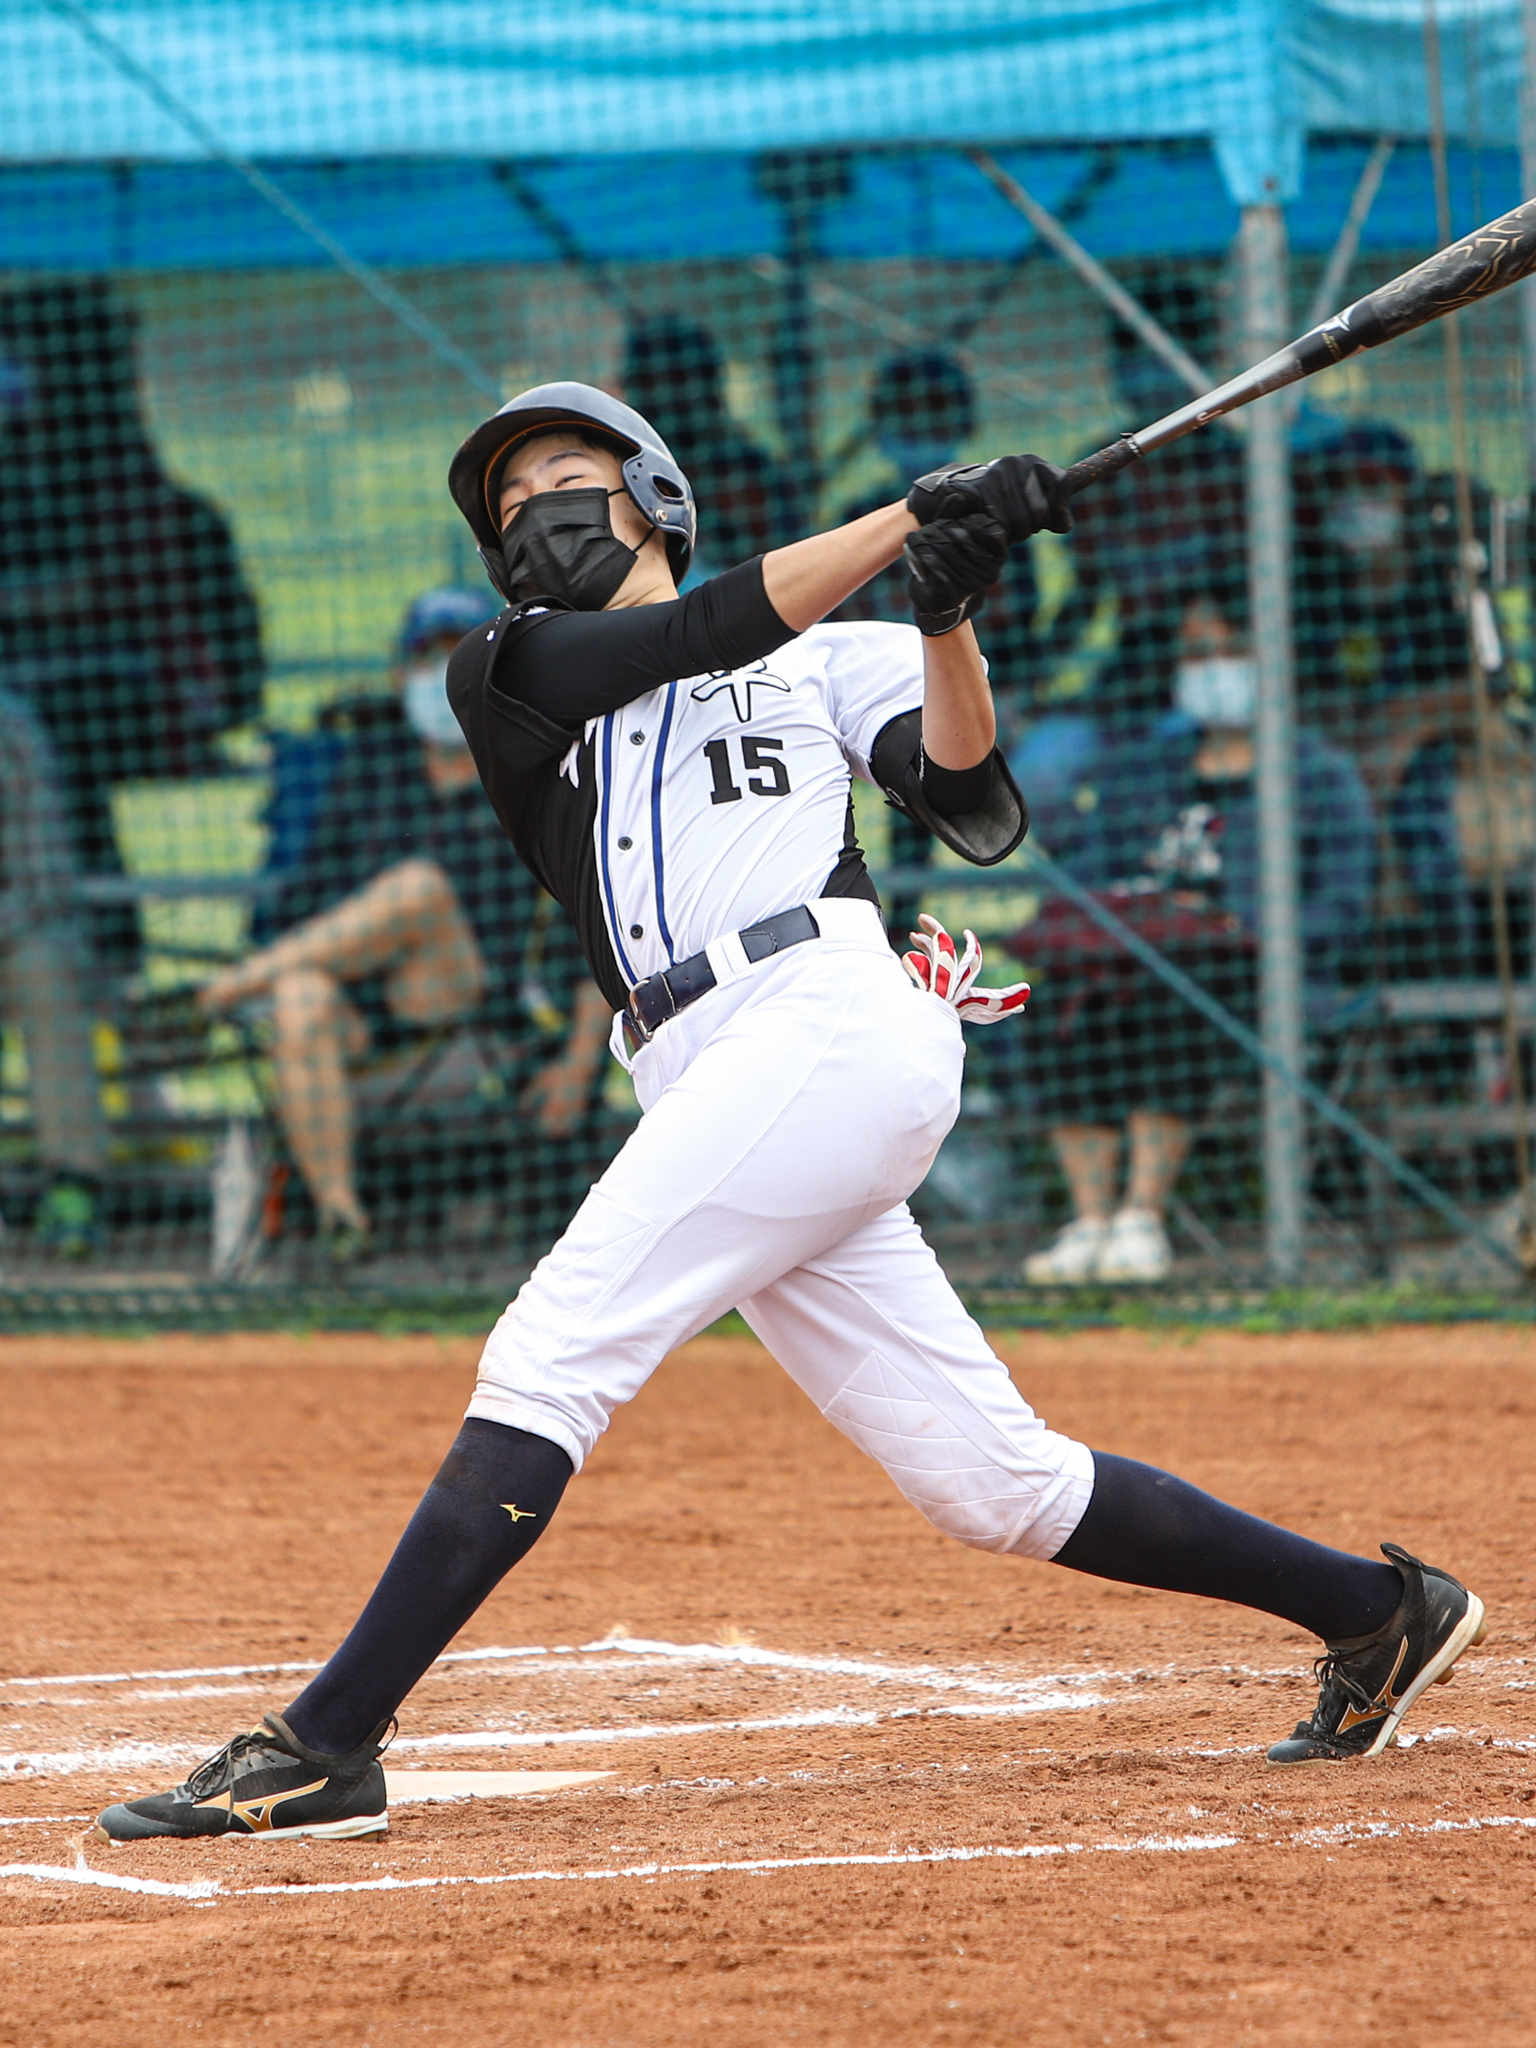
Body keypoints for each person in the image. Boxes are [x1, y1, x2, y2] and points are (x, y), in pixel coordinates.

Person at [95, 384, 1484, 1847]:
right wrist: (914, 514)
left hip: (821, 1018)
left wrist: (945, 610)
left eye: (565, 477)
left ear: (654, 495)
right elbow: (696, 632)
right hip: (703, 1067)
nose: (534, 512)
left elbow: (973, 804)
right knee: (992, 1485)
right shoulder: (510, 670)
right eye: (510, 506)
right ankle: (1377, 1611)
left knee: (553, 1354)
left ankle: (325, 1743)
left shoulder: (829, 657)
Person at [195, 588, 610, 1261]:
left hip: (476, 1016)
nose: (440, 676)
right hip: (367, 1022)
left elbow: (597, 936)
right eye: (426, 659)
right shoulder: (370, 771)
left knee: (418, 887)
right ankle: (342, 1218)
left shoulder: (540, 776)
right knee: (299, 997)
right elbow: (305, 902)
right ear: (399, 675)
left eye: (460, 656)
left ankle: (227, 989)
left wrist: (578, 1064)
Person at [1013, 581, 1377, 1285]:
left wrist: (1239, 929)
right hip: (1130, 963)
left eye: (1230, 651)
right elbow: (1089, 871)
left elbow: (1343, 906)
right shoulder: (1146, 771)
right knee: (1056, 1004)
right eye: (1196, 654)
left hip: (1255, 979)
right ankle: (1091, 1222)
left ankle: (1142, 1216)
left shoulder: (1320, 776)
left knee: (1173, 998)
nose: (1212, 668)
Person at [0, 279, 263, 974]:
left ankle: (108, 967)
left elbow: (109, 585)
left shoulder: (121, 482)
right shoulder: (27, 482)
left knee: (51, 753)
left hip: (133, 708)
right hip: (49, 709)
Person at [834, 351, 1042, 939]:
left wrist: (1021, 691)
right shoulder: (861, 518)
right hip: (874, 700)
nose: (919, 435)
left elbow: (1024, 622)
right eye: (905, 419)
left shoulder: (992, 521)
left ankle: (993, 928)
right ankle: (877, 922)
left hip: (982, 694)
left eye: (934, 418)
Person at [0, 687, 110, 1254]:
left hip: (21, 922)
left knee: (47, 968)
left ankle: (74, 1184)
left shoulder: (12, 727)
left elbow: (47, 880)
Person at [622, 315, 801, 574]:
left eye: (681, 381)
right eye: (652, 383)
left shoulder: (749, 471)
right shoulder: (623, 475)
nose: (674, 399)